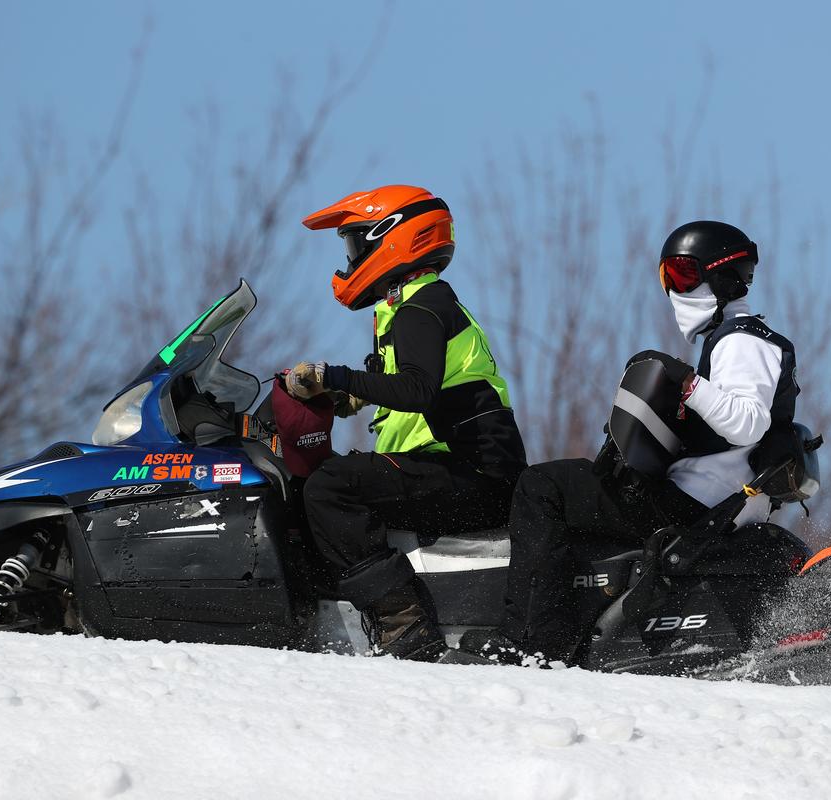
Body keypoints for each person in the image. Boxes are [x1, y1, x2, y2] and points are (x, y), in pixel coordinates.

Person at [460, 220, 800, 665]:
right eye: (668, 279)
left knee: (543, 485)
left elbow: (747, 423)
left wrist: (687, 384)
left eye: (682, 274)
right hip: (707, 500)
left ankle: (532, 642)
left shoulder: (742, 340)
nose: (674, 289)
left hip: (695, 504)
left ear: (722, 275)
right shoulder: (731, 338)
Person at [286, 185, 527, 662]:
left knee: (331, 487)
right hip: (462, 470)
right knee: (331, 480)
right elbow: (408, 388)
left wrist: (330, 374)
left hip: (473, 475)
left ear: (392, 238)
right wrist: (347, 395)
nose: (351, 259)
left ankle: (405, 625)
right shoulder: (418, 305)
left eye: (356, 244)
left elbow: (418, 390)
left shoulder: (420, 307)